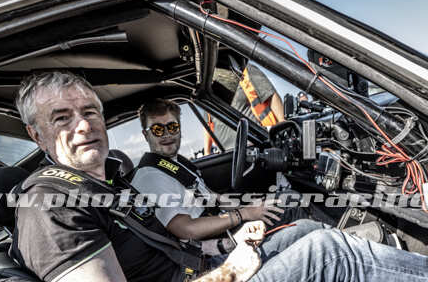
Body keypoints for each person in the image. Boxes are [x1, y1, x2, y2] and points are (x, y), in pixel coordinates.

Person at [12, 71, 428, 282]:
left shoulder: (109, 180)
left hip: (203, 277)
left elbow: (175, 240)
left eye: (90, 112)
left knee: (307, 228)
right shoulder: (49, 206)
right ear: (37, 135)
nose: (84, 125)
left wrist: (228, 247)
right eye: (62, 118)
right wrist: (230, 271)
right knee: (327, 250)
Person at [133, 98, 334, 250]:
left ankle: (333, 241)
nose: (167, 134)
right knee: (293, 211)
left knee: (285, 200)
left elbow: (212, 197)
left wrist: (249, 207)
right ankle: (337, 246)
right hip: (214, 245)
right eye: (158, 129)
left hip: (221, 225)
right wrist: (243, 214)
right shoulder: (151, 176)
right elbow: (186, 230)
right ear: (145, 134)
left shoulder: (175, 164)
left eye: (172, 127)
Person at [204, 64, 285, 154]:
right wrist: (206, 152)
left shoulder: (245, 70)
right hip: (226, 154)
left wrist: (283, 124)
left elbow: (270, 95)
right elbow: (208, 124)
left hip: (254, 146)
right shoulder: (207, 87)